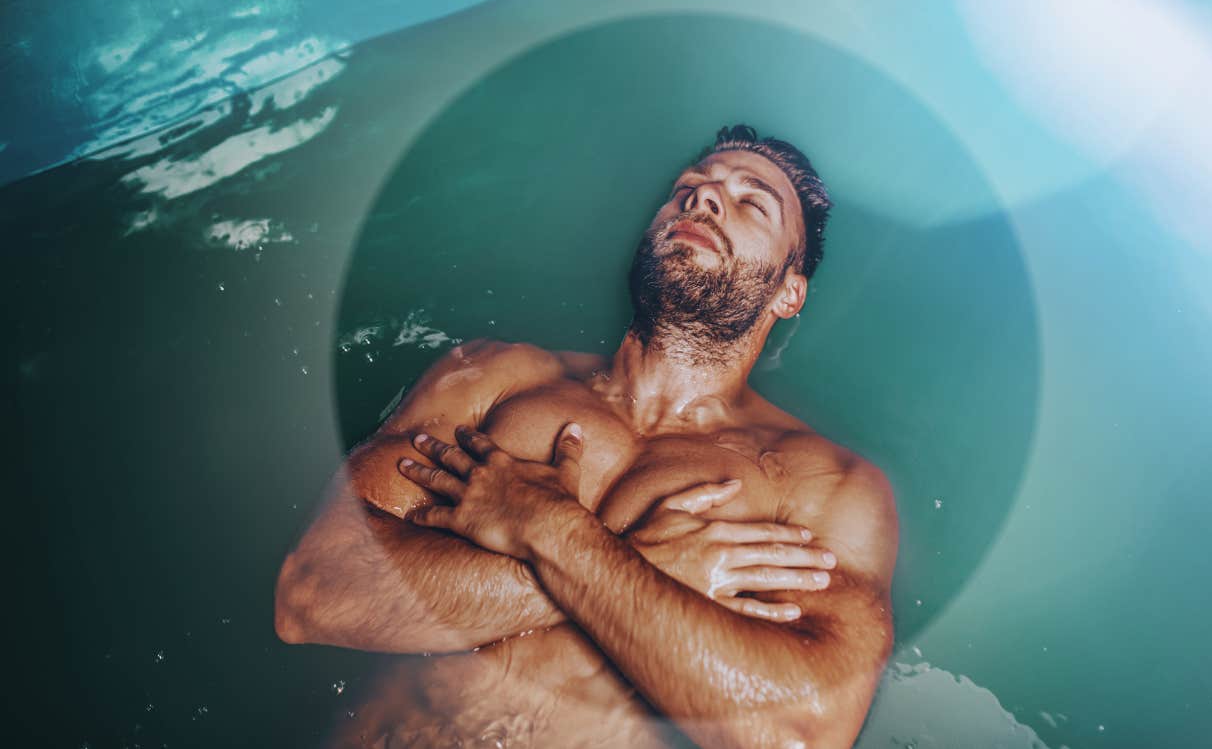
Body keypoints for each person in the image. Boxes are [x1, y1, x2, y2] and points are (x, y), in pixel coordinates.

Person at [274, 125, 899, 748]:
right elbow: (314, 593)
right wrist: (649, 568)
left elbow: (799, 733)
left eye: (751, 201)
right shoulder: (493, 377)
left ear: (790, 292)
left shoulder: (825, 484)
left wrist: (551, 530)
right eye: (690, 188)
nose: (702, 199)